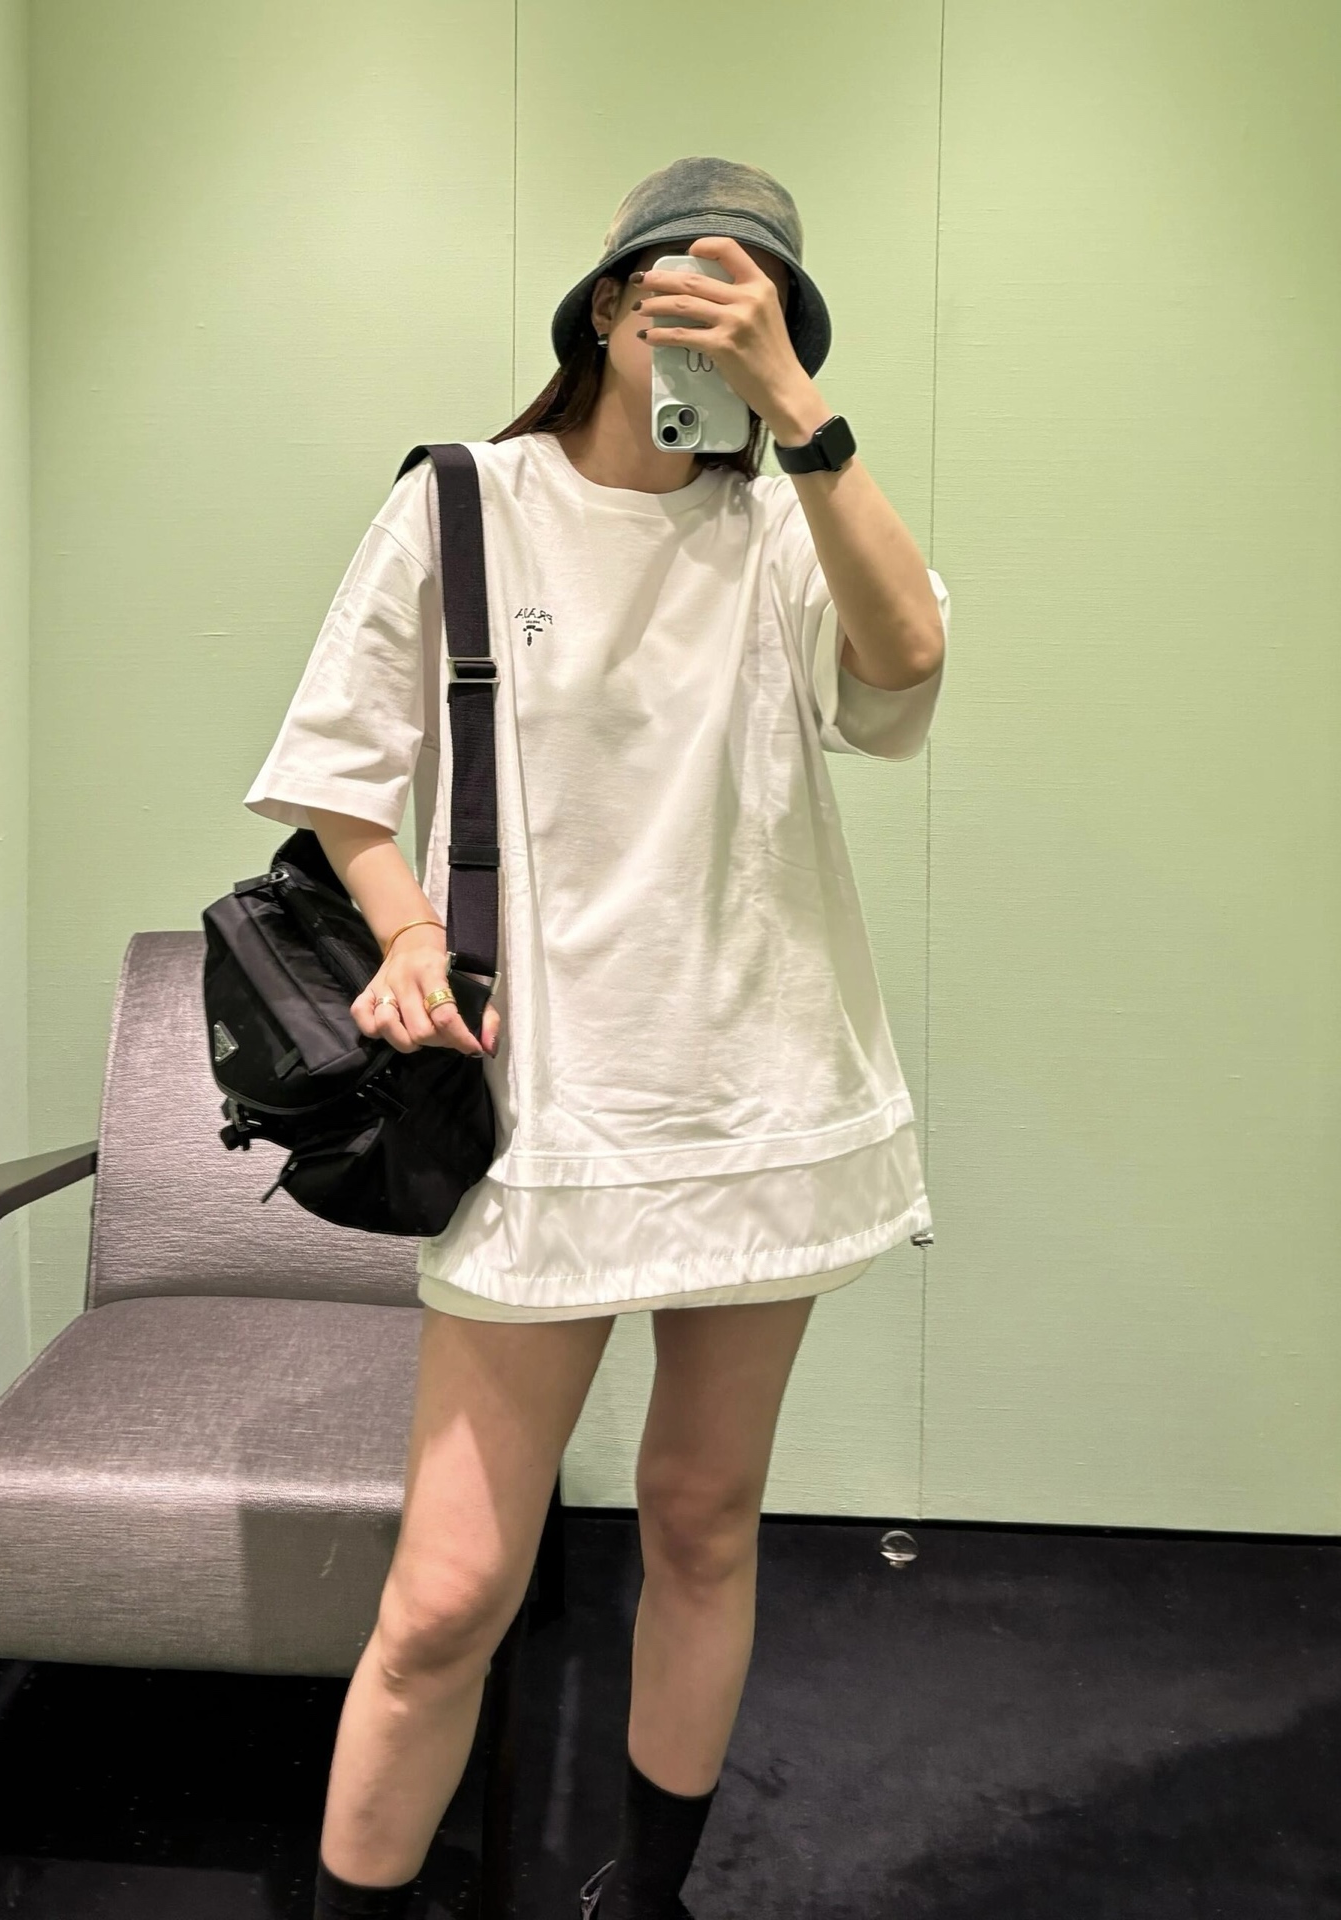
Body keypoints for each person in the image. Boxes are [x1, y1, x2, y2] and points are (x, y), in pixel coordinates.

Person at [243, 155, 950, 1920]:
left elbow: (905, 673)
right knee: (447, 1596)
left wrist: (804, 417)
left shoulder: (783, 522)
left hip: (758, 1090)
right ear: (610, 305)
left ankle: (649, 1901)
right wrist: (409, 933)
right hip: (541, 1114)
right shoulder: (466, 504)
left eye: (753, 304)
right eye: (682, 291)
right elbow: (341, 770)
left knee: (703, 1518)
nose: (709, 327)